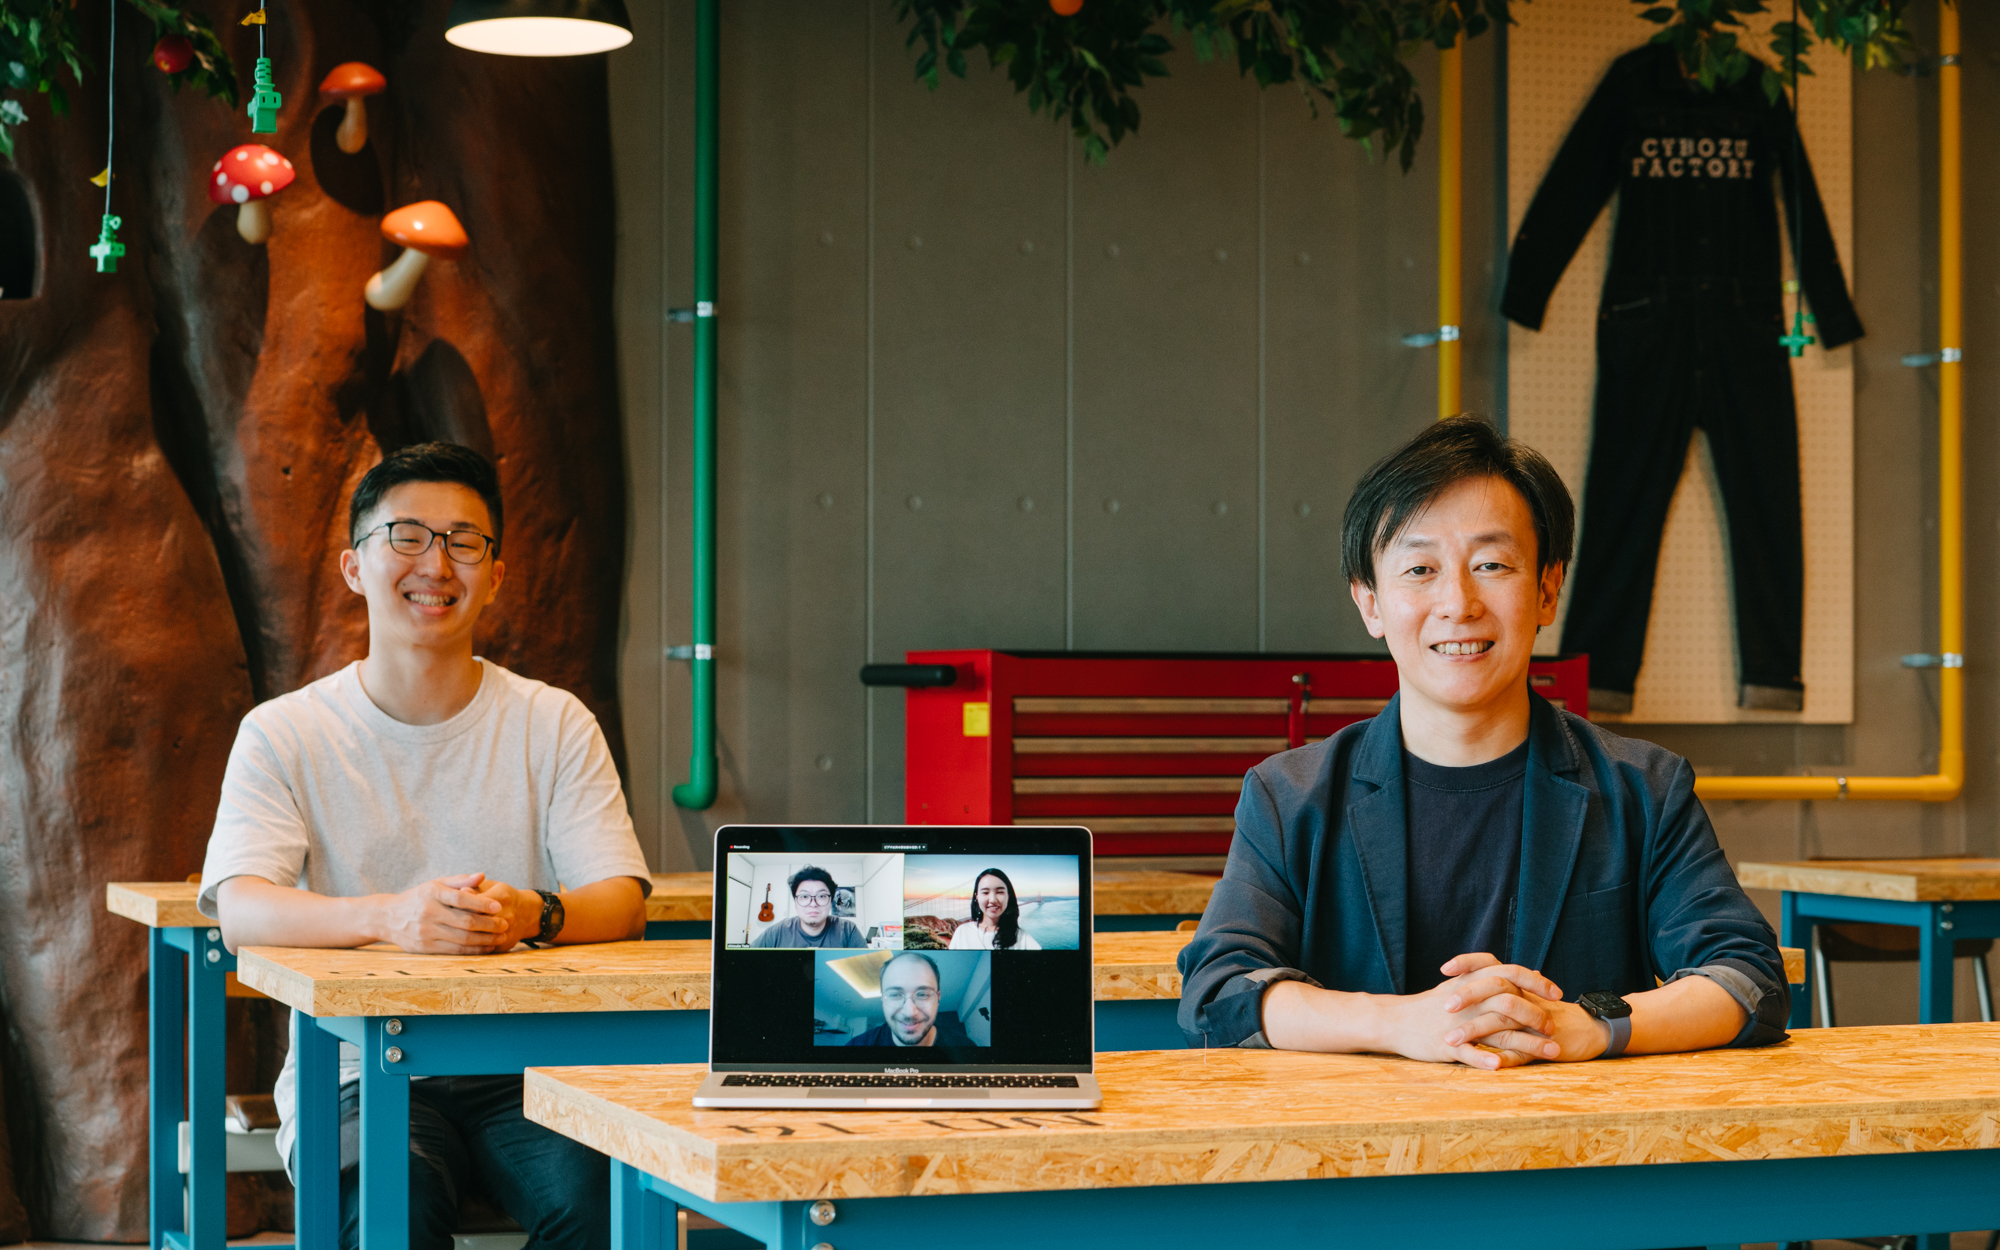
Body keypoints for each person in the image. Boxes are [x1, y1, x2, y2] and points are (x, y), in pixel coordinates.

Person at [1178, 416, 1788, 1068]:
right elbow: (1219, 989)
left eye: (1491, 564)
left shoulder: (1644, 790)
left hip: (1583, 1157)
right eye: (1419, 569)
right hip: (1357, 1158)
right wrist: (1402, 1022)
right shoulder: (1290, 796)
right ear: (1371, 604)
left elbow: (1748, 978)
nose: (1458, 602)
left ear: (1548, 589)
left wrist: (1586, 1025)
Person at [198, 442, 652, 1250]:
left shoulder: (553, 722)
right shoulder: (285, 732)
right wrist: (393, 917)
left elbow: (620, 897)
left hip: (536, 1074)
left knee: (605, 1209)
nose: (436, 563)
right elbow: (241, 909)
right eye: (407, 536)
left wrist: (532, 913)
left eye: (464, 541)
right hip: (355, 1077)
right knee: (389, 1212)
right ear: (353, 566)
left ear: (498, 572)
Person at [845, 953, 979, 1047]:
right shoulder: (853, 1050)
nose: (909, 1012)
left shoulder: (966, 1050)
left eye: (922, 994)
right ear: (883, 1000)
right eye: (895, 995)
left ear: (938, 998)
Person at [751, 866, 866, 947]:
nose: (813, 903)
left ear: (831, 901)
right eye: (804, 896)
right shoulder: (776, 932)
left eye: (821, 896)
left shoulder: (848, 931)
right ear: (795, 902)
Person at [949, 868, 1042, 950]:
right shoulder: (962, 932)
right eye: (985, 892)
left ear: (1008, 896)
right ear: (976, 897)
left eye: (1000, 892)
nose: (993, 899)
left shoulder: (1023, 939)